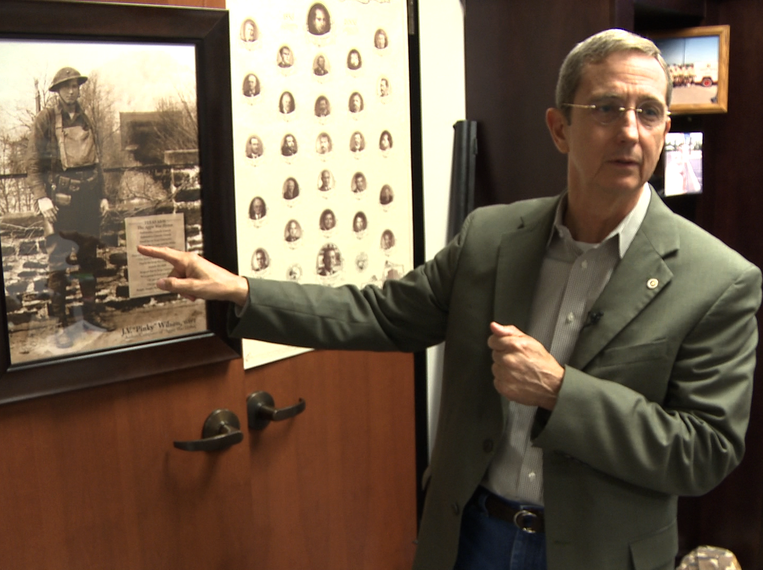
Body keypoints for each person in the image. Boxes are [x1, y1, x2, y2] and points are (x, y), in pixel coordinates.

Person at [138, 29, 761, 570]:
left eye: (648, 112)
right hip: (472, 537)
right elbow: (382, 314)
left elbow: (705, 451)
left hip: (600, 553)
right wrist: (245, 292)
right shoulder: (493, 238)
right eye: (606, 108)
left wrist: (560, 391)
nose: (630, 130)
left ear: (665, 130)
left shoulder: (718, 280)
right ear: (560, 128)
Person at [27, 66, 113, 347]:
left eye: (75, 85)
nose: (72, 90)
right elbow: (33, 164)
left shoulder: (86, 118)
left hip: (88, 200)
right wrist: (42, 197)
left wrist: (102, 195)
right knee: (58, 264)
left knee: (88, 261)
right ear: (57, 91)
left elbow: (97, 161)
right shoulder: (46, 119)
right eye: (66, 86)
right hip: (59, 202)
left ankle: (89, 315)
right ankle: (59, 322)